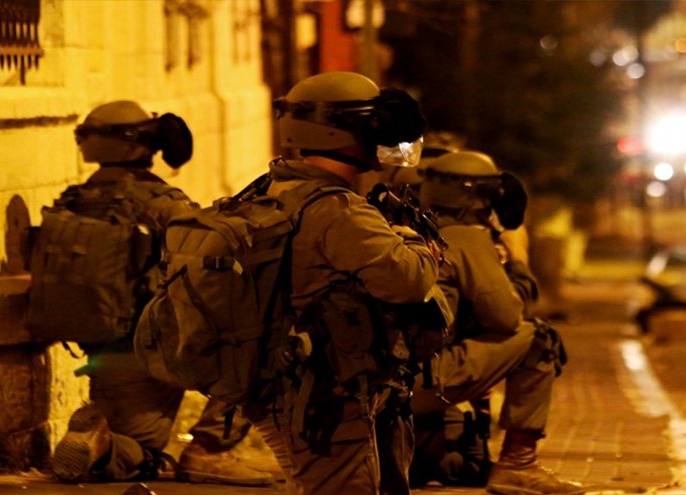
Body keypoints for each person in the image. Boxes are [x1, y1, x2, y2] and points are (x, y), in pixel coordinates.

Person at [44, 100, 275, 485]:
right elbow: (212, 258)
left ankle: (100, 441)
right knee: (264, 342)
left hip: (101, 352)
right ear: (142, 143)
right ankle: (210, 451)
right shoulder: (160, 202)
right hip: (155, 349)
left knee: (142, 452)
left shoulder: (73, 199)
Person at [253, 71, 443, 495]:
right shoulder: (338, 212)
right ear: (343, 132)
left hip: (281, 379)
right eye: (374, 127)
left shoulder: (272, 187)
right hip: (321, 394)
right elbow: (409, 280)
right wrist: (415, 241)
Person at [412, 150, 582, 494]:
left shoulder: (409, 228)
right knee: (539, 338)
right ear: (477, 197)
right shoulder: (464, 237)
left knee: (459, 462)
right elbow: (507, 318)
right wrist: (517, 258)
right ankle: (519, 465)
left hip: (378, 385)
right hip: (421, 382)